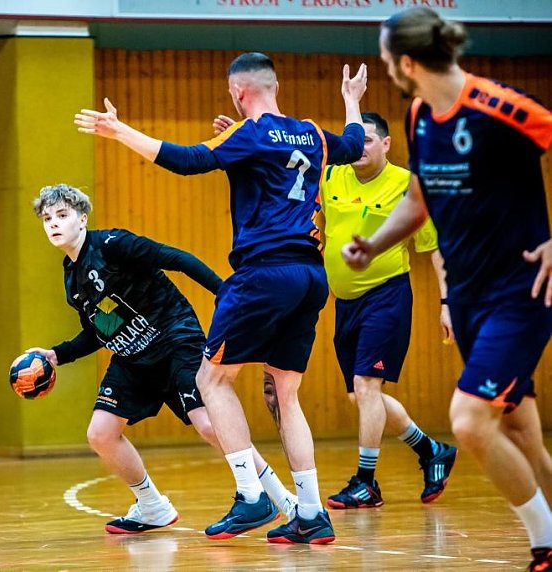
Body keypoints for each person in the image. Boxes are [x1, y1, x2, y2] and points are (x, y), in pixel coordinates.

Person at [75, 53, 367, 544]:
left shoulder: (248, 134)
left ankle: (251, 495)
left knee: (211, 379)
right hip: (311, 275)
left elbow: (187, 160)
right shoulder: (311, 133)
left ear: (238, 91)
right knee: (287, 394)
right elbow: (355, 145)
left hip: (263, 273)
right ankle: (312, 512)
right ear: (275, 86)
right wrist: (351, 101)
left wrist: (119, 131)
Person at [342, 7, 552, 570]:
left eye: (387, 59)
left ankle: (544, 540)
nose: (386, 69)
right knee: (522, 433)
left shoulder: (500, 108)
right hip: (470, 300)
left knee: (467, 419)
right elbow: (418, 198)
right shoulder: (418, 117)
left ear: (407, 61)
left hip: (520, 294)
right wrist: (374, 243)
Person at [27, 184, 298, 535]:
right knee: (101, 433)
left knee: (210, 426)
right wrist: (56, 355)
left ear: (82, 218)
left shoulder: (113, 245)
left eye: (62, 215)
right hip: (132, 359)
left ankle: (280, 500)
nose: (54, 223)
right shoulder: (72, 277)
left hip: (174, 340)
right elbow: (101, 329)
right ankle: (152, 506)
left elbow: (177, 259)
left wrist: (226, 294)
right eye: (47, 218)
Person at [318, 111, 458, 508]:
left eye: (366, 140)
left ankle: (366, 482)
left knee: (367, 387)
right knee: (360, 397)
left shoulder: (406, 186)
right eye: (354, 140)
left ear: (386, 144)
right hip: (343, 303)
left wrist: (446, 303)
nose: (358, 148)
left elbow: (434, 251)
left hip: (387, 296)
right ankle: (432, 450)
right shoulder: (331, 176)